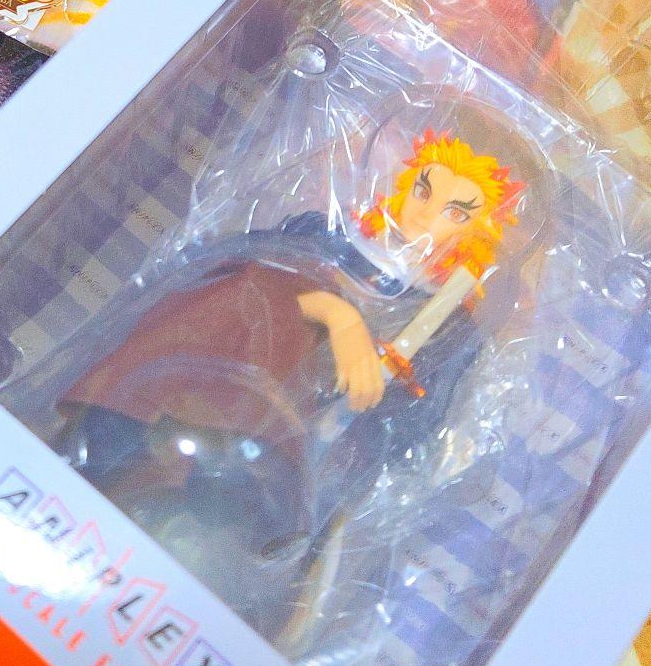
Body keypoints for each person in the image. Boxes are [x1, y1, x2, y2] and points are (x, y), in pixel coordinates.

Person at [52, 129, 522, 628]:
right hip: (180, 406)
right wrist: (331, 311)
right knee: (108, 474)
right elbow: (217, 281)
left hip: (273, 479)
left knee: (214, 563)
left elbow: (403, 439)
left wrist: (375, 398)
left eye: (457, 213)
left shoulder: (448, 328)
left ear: (483, 233)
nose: (424, 216)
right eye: (423, 190)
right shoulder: (323, 236)